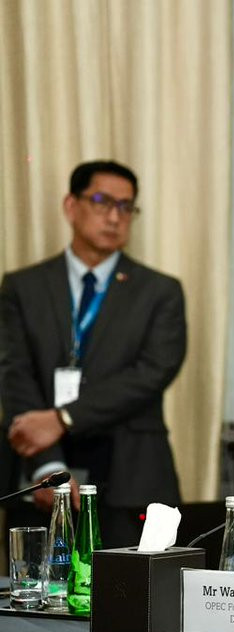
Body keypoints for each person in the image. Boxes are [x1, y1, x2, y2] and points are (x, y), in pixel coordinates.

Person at [0, 160, 186, 546]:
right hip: (39, 471)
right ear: (71, 206)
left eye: (126, 206)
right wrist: (49, 465)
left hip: (130, 477)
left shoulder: (159, 292)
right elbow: (13, 373)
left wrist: (64, 417)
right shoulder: (23, 287)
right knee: (37, 583)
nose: (115, 217)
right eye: (102, 202)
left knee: (131, 583)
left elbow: (151, 373)